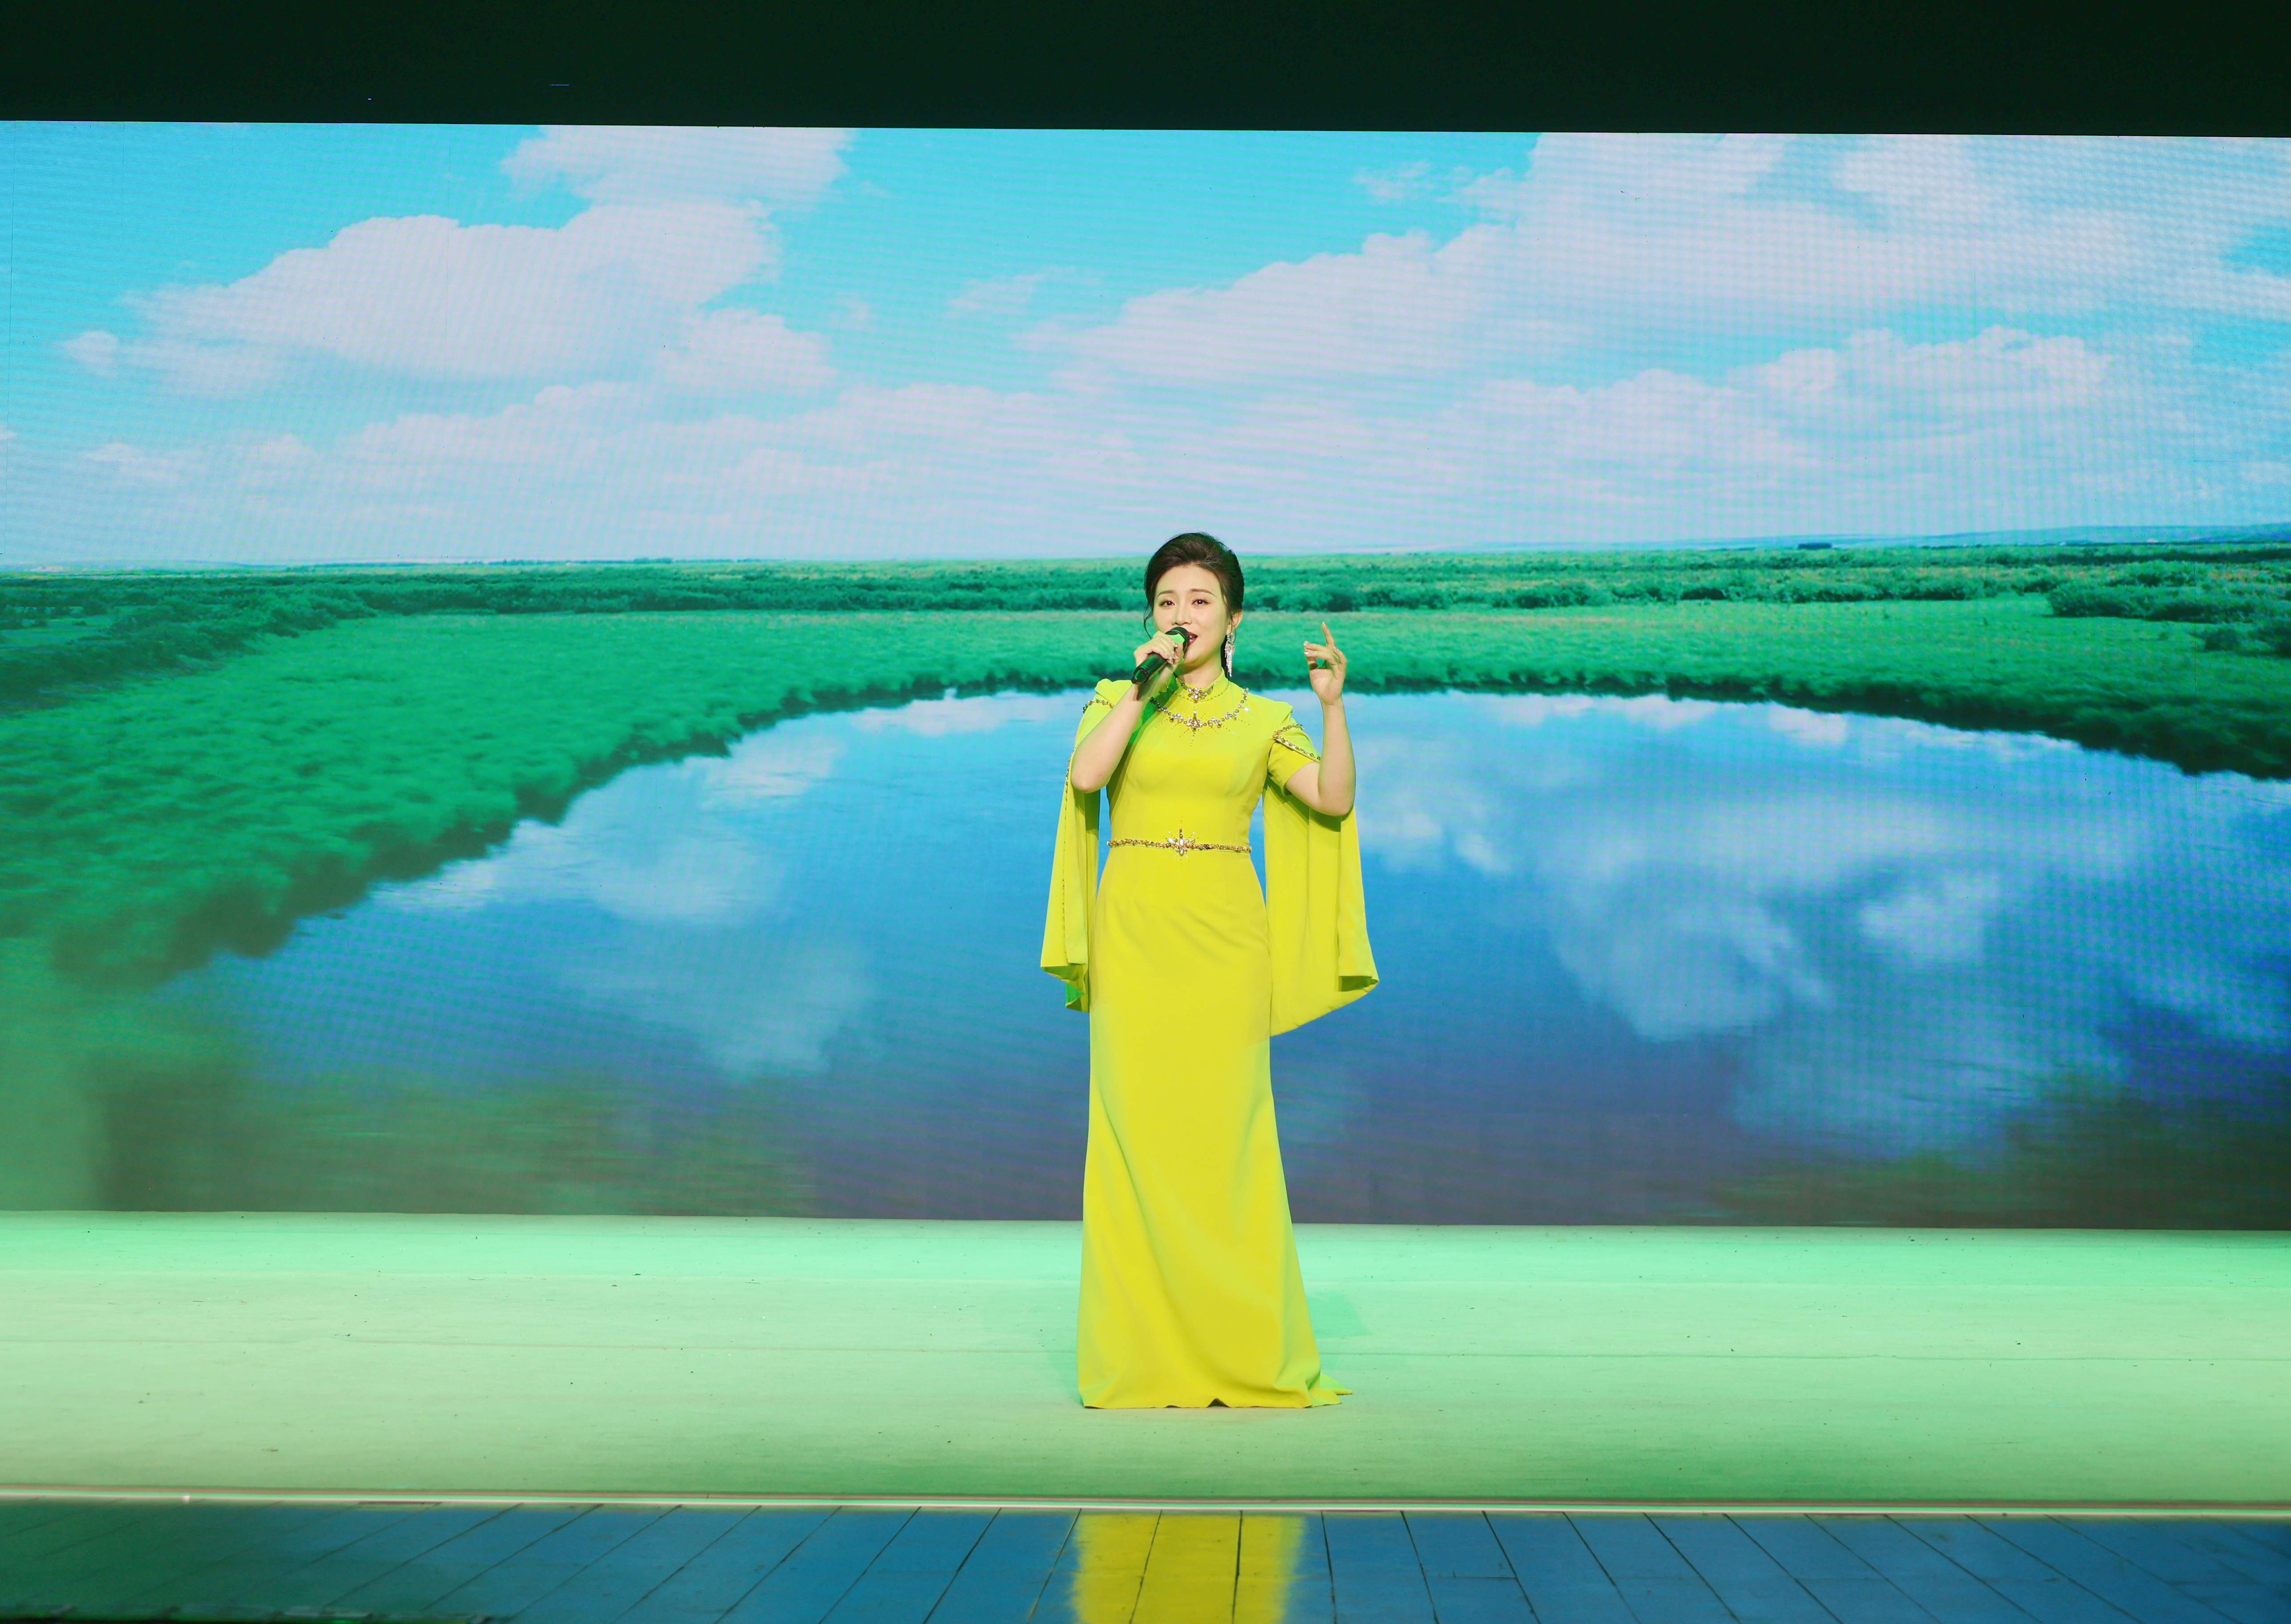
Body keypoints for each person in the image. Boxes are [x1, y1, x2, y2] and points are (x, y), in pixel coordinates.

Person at [1041, 532, 1377, 1409]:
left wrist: (1333, 709)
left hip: (1226, 946)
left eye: (1199, 600)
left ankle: (1241, 1349)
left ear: (1233, 619)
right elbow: (1086, 778)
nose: (1182, 614)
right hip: (1135, 938)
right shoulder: (1115, 699)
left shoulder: (1265, 719)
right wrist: (1141, 687)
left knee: (1228, 1145)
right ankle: (1141, 1358)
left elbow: (1332, 799)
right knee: (1133, 1140)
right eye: (1167, 601)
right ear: (1149, 618)